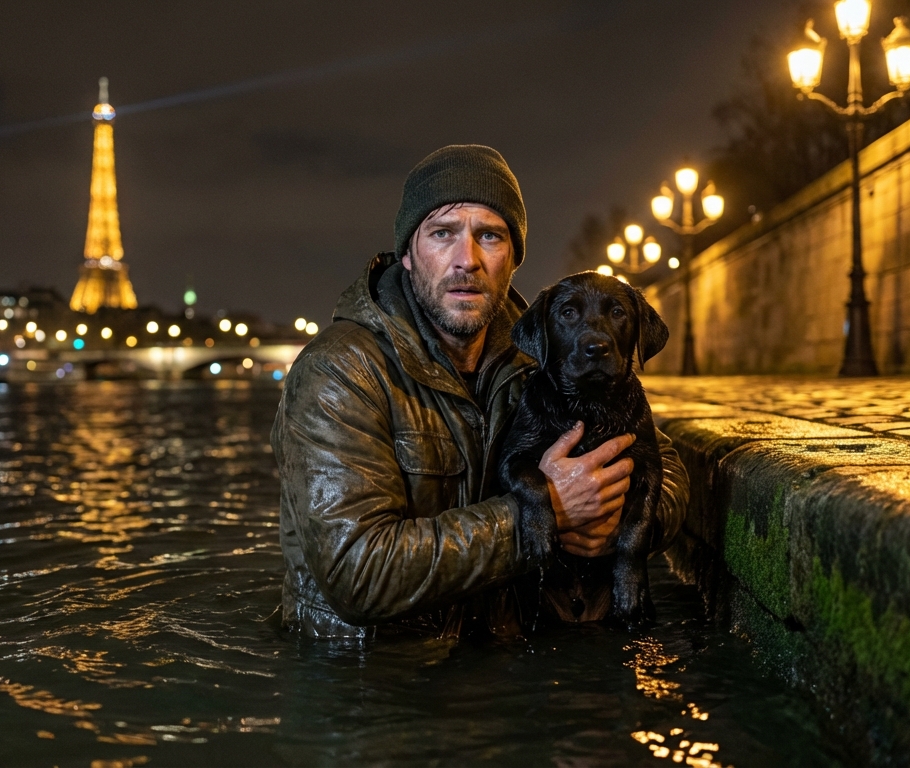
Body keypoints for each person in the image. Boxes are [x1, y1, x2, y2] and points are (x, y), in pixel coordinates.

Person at [271, 145, 688, 639]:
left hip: (498, 652)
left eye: (489, 235)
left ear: (512, 258)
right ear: (407, 253)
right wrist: (545, 514)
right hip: (375, 675)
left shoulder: (542, 354)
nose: (466, 260)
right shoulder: (339, 372)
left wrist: (612, 530)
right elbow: (358, 574)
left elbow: (669, 472)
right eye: (442, 234)